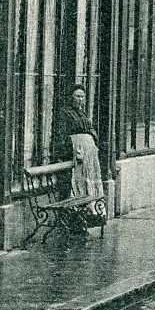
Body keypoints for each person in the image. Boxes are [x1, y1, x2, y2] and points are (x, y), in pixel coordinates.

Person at [53, 84, 106, 231]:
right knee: (78, 184)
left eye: (82, 96)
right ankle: (76, 220)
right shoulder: (65, 113)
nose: (80, 99)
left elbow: (91, 129)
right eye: (77, 96)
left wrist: (92, 140)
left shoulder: (83, 114)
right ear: (71, 97)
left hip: (89, 157)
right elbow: (62, 135)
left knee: (89, 184)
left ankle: (89, 217)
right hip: (78, 155)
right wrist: (69, 150)